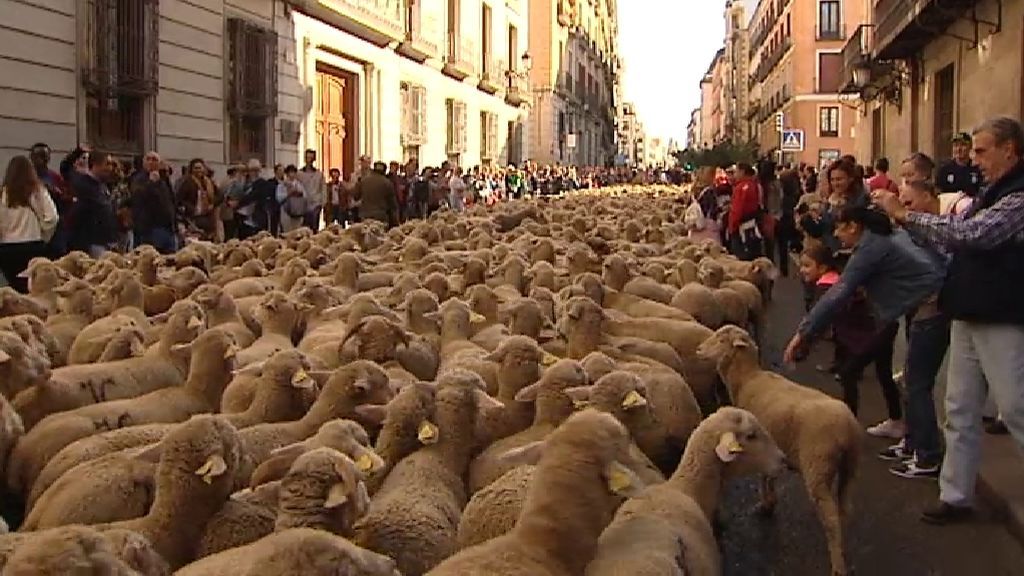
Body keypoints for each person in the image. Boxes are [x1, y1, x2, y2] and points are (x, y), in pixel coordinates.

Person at [872, 116, 1024, 524]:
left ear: (1009, 149)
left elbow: (976, 235)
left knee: (1015, 408)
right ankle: (956, 495)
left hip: (1002, 315)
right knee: (958, 408)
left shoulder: (1018, 195)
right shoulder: (991, 191)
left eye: (981, 151)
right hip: (969, 311)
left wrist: (907, 218)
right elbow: (956, 228)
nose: (973, 160)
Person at [784, 205, 944, 437]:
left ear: (853, 226)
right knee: (903, 377)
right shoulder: (886, 237)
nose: (836, 234)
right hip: (921, 304)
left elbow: (839, 293)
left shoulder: (872, 248)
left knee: (916, 383)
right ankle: (911, 438)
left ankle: (924, 450)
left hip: (929, 306)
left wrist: (802, 334)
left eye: (839, 228)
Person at [0, 156, 59, 292]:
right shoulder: (37, 192)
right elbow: (52, 217)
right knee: (33, 289)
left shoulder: (2, 194)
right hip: (33, 245)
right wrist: (44, 234)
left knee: (15, 289)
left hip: (7, 248)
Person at [67, 151, 118, 258]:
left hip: (104, 241)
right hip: (92, 242)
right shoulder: (83, 185)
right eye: (107, 164)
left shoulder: (102, 186)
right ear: (95, 165)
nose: (110, 168)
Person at [726, 163, 762, 260]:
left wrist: (732, 227)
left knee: (740, 257)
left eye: (736, 172)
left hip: (741, 228)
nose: (735, 175)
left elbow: (738, 209)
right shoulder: (753, 185)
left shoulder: (742, 187)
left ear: (742, 172)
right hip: (750, 225)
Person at [936, 132, 983, 197]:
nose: (958, 149)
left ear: (970, 147)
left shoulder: (977, 168)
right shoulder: (944, 169)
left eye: (963, 145)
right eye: (956, 145)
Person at [354, 161, 398, 227]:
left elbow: (356, 196)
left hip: (365, 216)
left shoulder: (363, 181)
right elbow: (392, 204)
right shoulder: (387, 183)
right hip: (381, 217)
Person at [296, 149, 325, 232]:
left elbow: (323, 189)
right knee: (303, 228)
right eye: (308, 158)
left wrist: (322, 203)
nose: (309, 160)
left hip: (316, 204)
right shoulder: (299, 174)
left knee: (314, 228)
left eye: (311, 158)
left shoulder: (319, 174)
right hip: (303, 205)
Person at [276, 165, 307, 234]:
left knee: (297, 233)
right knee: (287, 232)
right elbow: (278, 198)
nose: (292, 175)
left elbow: (305, 197)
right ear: (286, 174)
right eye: (290, 172)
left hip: (298, 212)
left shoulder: (299, 185)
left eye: (293, 172)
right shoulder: (282, 185)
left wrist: (298, 193)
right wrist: (288, 194)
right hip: (286, 212)